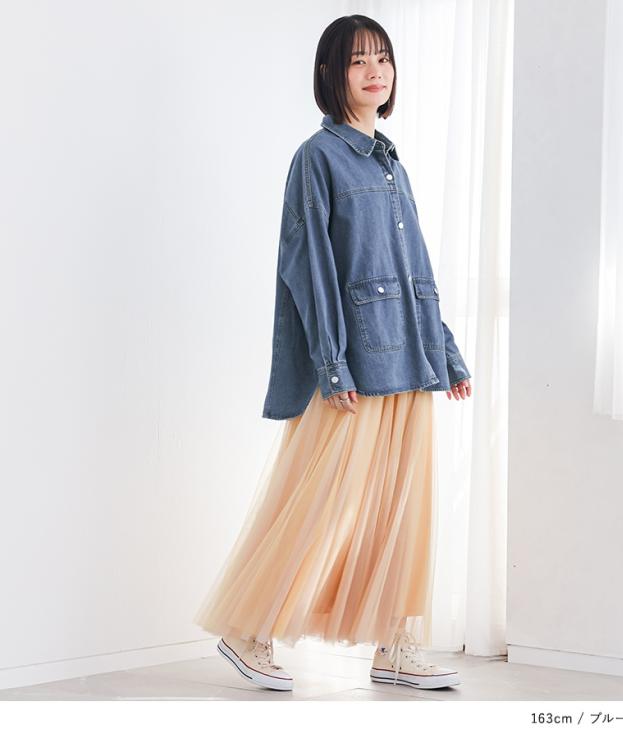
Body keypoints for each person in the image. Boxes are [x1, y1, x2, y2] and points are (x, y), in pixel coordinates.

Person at [193, 14, 472, 693]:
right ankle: (248, 629)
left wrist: (446, 350)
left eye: (383, 57)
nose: (375, 71)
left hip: (411, 359)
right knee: (318, 501)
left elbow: (414, 267)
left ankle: (394, 645)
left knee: (399, 509)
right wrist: (330, 362)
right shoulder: (316, 158)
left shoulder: (391, 161)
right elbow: (310, 266)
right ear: (329, 74)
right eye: (357, 61)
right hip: (355, 362)